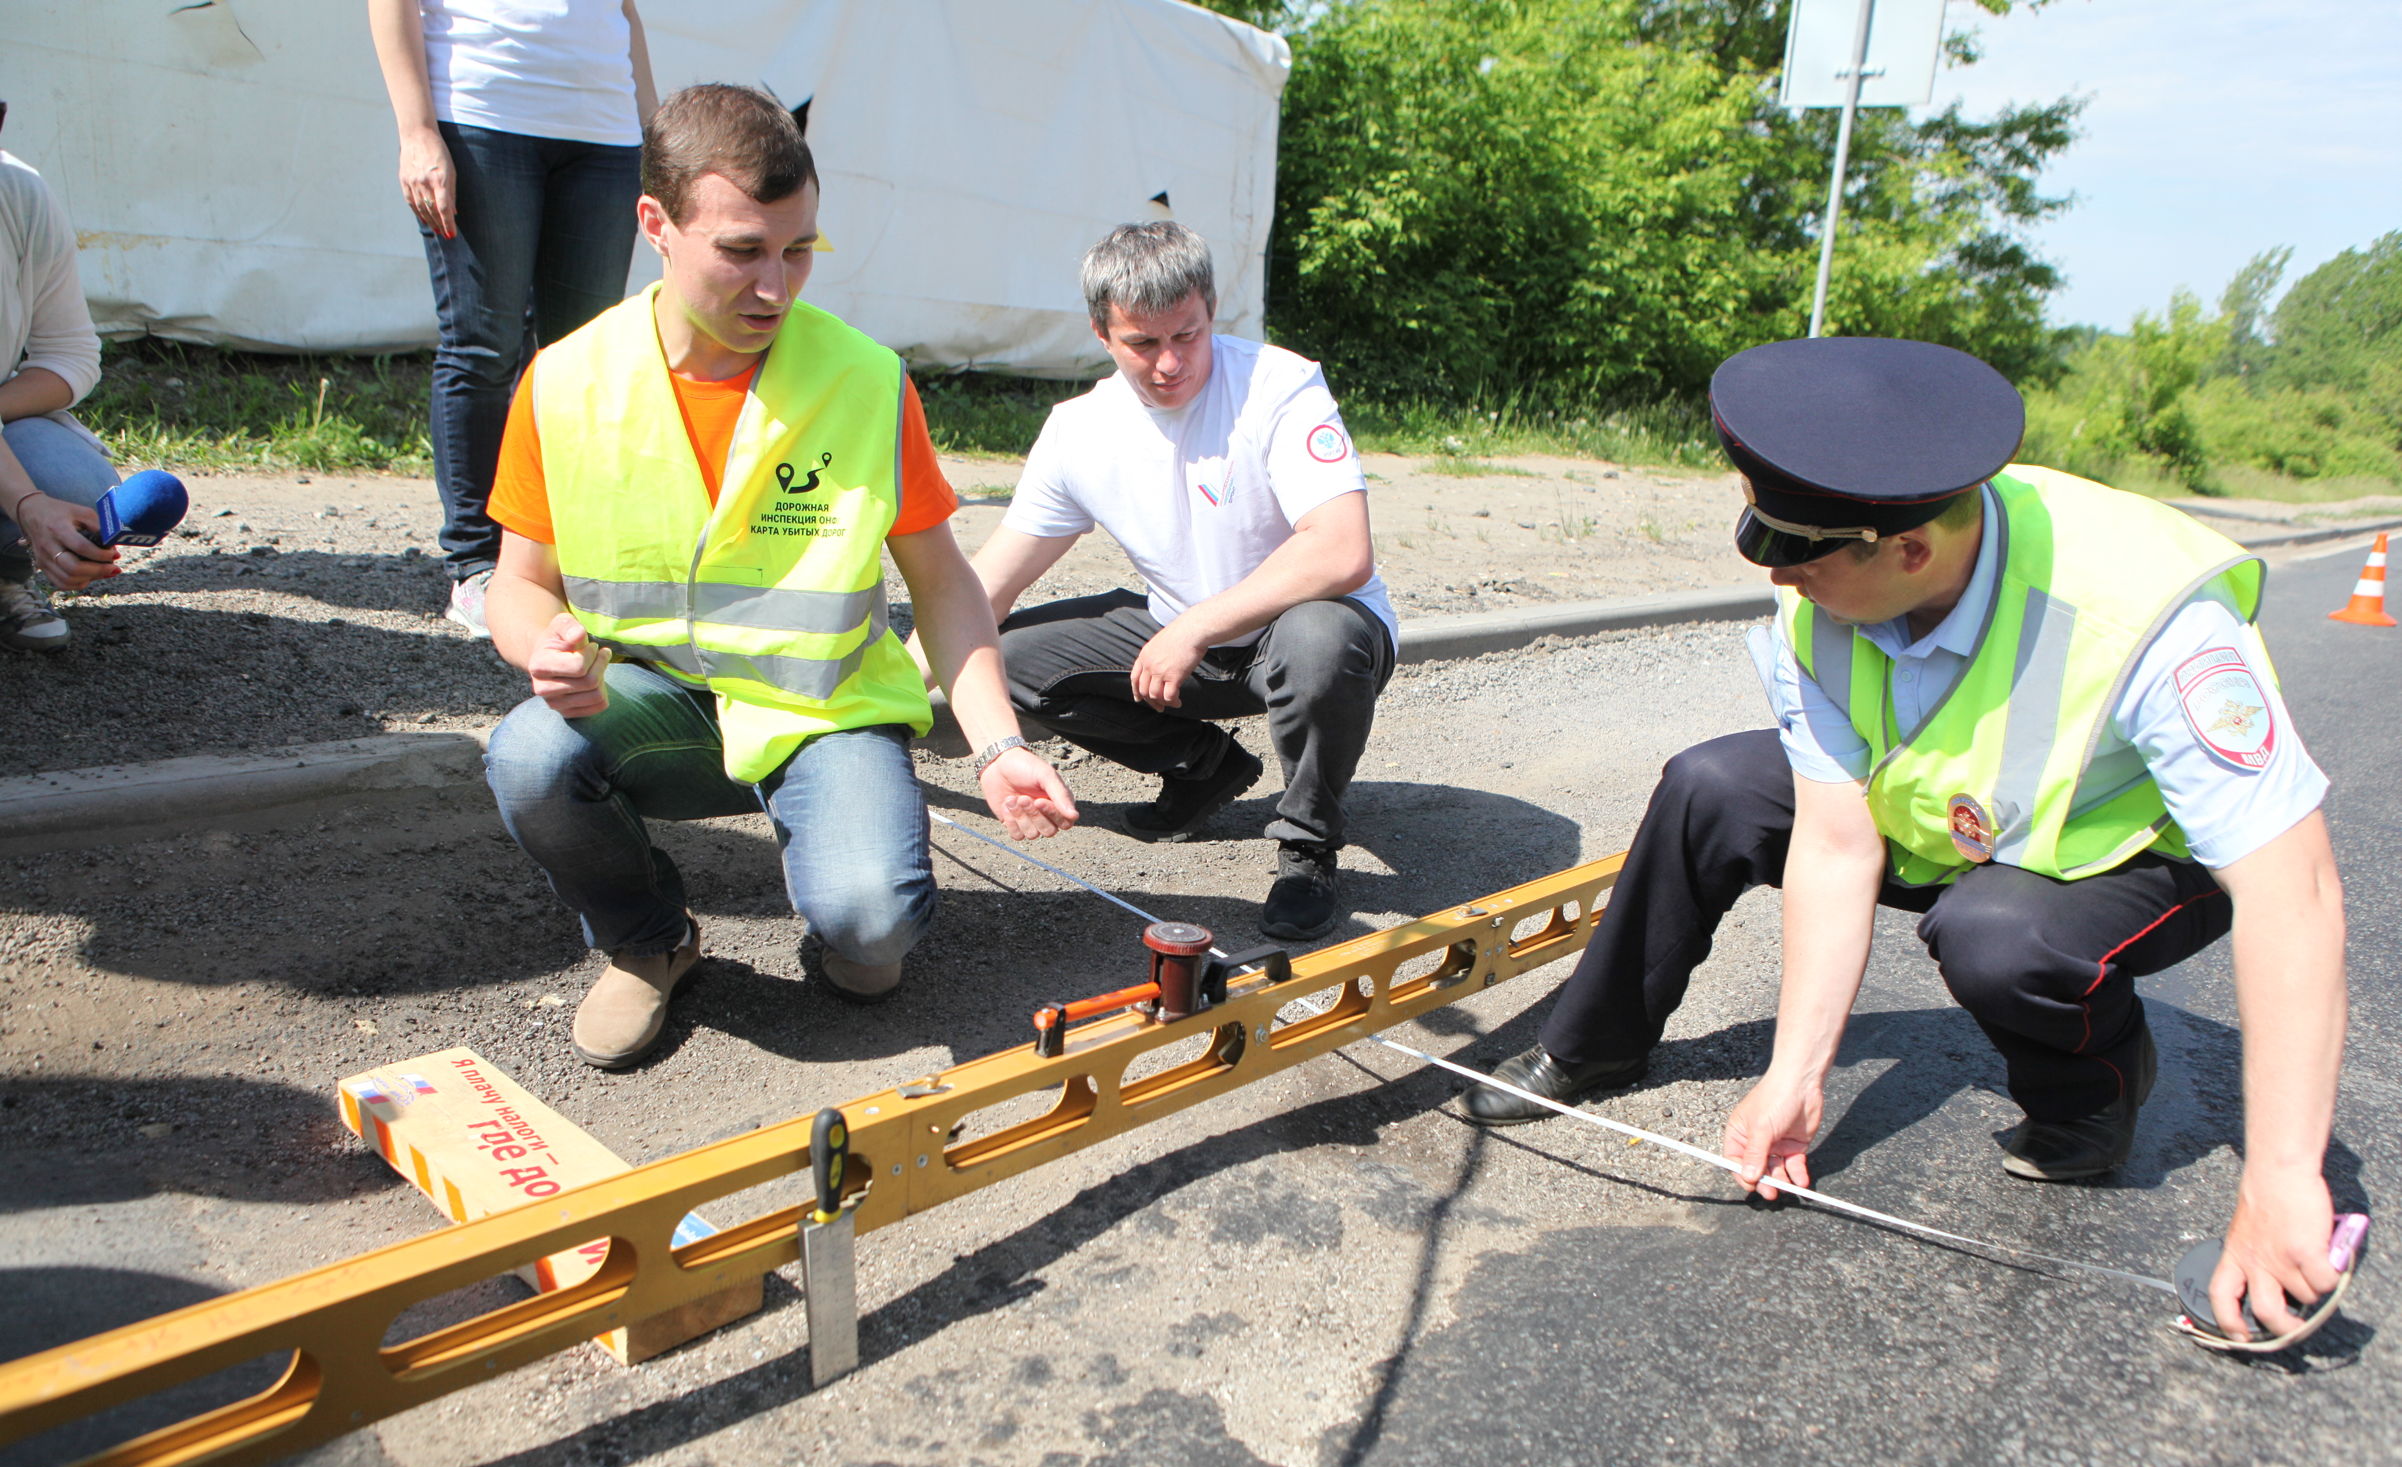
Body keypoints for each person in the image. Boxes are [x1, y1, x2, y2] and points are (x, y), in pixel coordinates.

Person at [1461, 336, 2348, 1346]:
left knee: (1997, 932)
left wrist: (2281, 1179)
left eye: (1796, 557)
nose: (1779, 577)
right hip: (1940, 814)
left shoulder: (2148, 617)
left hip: (2120, 858)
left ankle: (2091, 1093)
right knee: (1710, 783)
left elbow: (2295, 894)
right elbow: (1836, 844)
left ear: (1908, 550)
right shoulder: (1832, 555)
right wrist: (1795, 1075)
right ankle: (1594, 1044)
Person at [480, 84, 1077, 1070]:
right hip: (655, 700)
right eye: (743, 251)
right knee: (528, 756)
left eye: (799, 250)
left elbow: (943, 583)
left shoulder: (864, 380)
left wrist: (995, 743)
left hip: (823, 710)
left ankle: (850, 914)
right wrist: (536, 642)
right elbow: (515, 584)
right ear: (656, 226)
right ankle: (647, 937)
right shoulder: (564, 383)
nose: (776, 287)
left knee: (870, 930)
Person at [959, 222, 1395, 942]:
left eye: (1186, 336)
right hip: (1184, 636)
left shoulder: (1279, 384)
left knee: (1321, 638)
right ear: (1102, 333)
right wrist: (887, 693)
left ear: (1211, 308)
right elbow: (983, 589)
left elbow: (1344, 551)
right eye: (1143, 343)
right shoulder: (1079, 431)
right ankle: (1201, 767)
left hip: (1304, 628)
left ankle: (1307, 845)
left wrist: (1193, 628)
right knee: (1001, 655)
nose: (1169, 363)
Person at [369, 0, 657, 638]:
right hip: (481, 114)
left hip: (607, 131)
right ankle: (477, 567)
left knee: (585, 362)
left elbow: (625, 12)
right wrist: (417, 131)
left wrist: (656, 134)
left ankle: (571, 559)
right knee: (483, 348)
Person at [0, 113, 121, 652]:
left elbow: (70, 355)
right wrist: (26, 503)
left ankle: (3, 576)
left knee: (77, 488)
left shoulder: (20, 192)